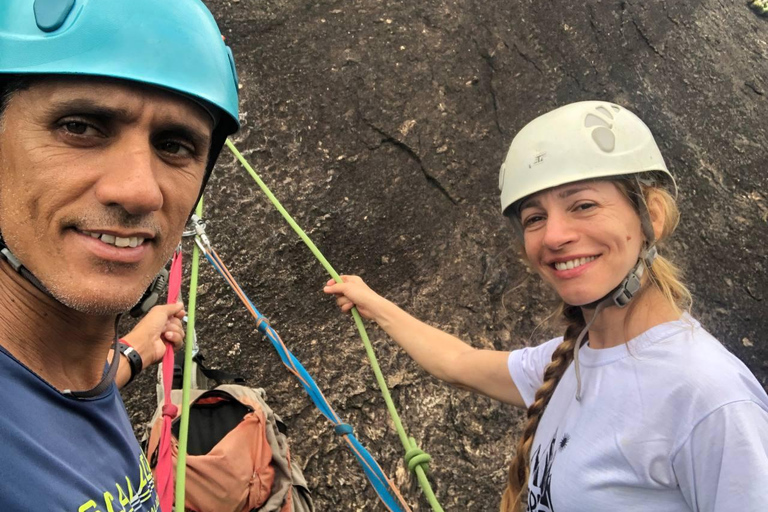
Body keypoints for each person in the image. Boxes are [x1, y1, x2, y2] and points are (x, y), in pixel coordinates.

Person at [324, 101, 768, 511]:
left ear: (650, 215)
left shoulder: (710, 400)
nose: (554, 236)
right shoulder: (573, 358)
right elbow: (458, 362)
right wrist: (374, 303)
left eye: (584, 204)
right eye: (535, 218)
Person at [0, 0, 239, 510]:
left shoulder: (68, 369)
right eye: (80, 126)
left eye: (174, 145)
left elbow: (65, 398)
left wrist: (131, 352)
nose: (138, 191)